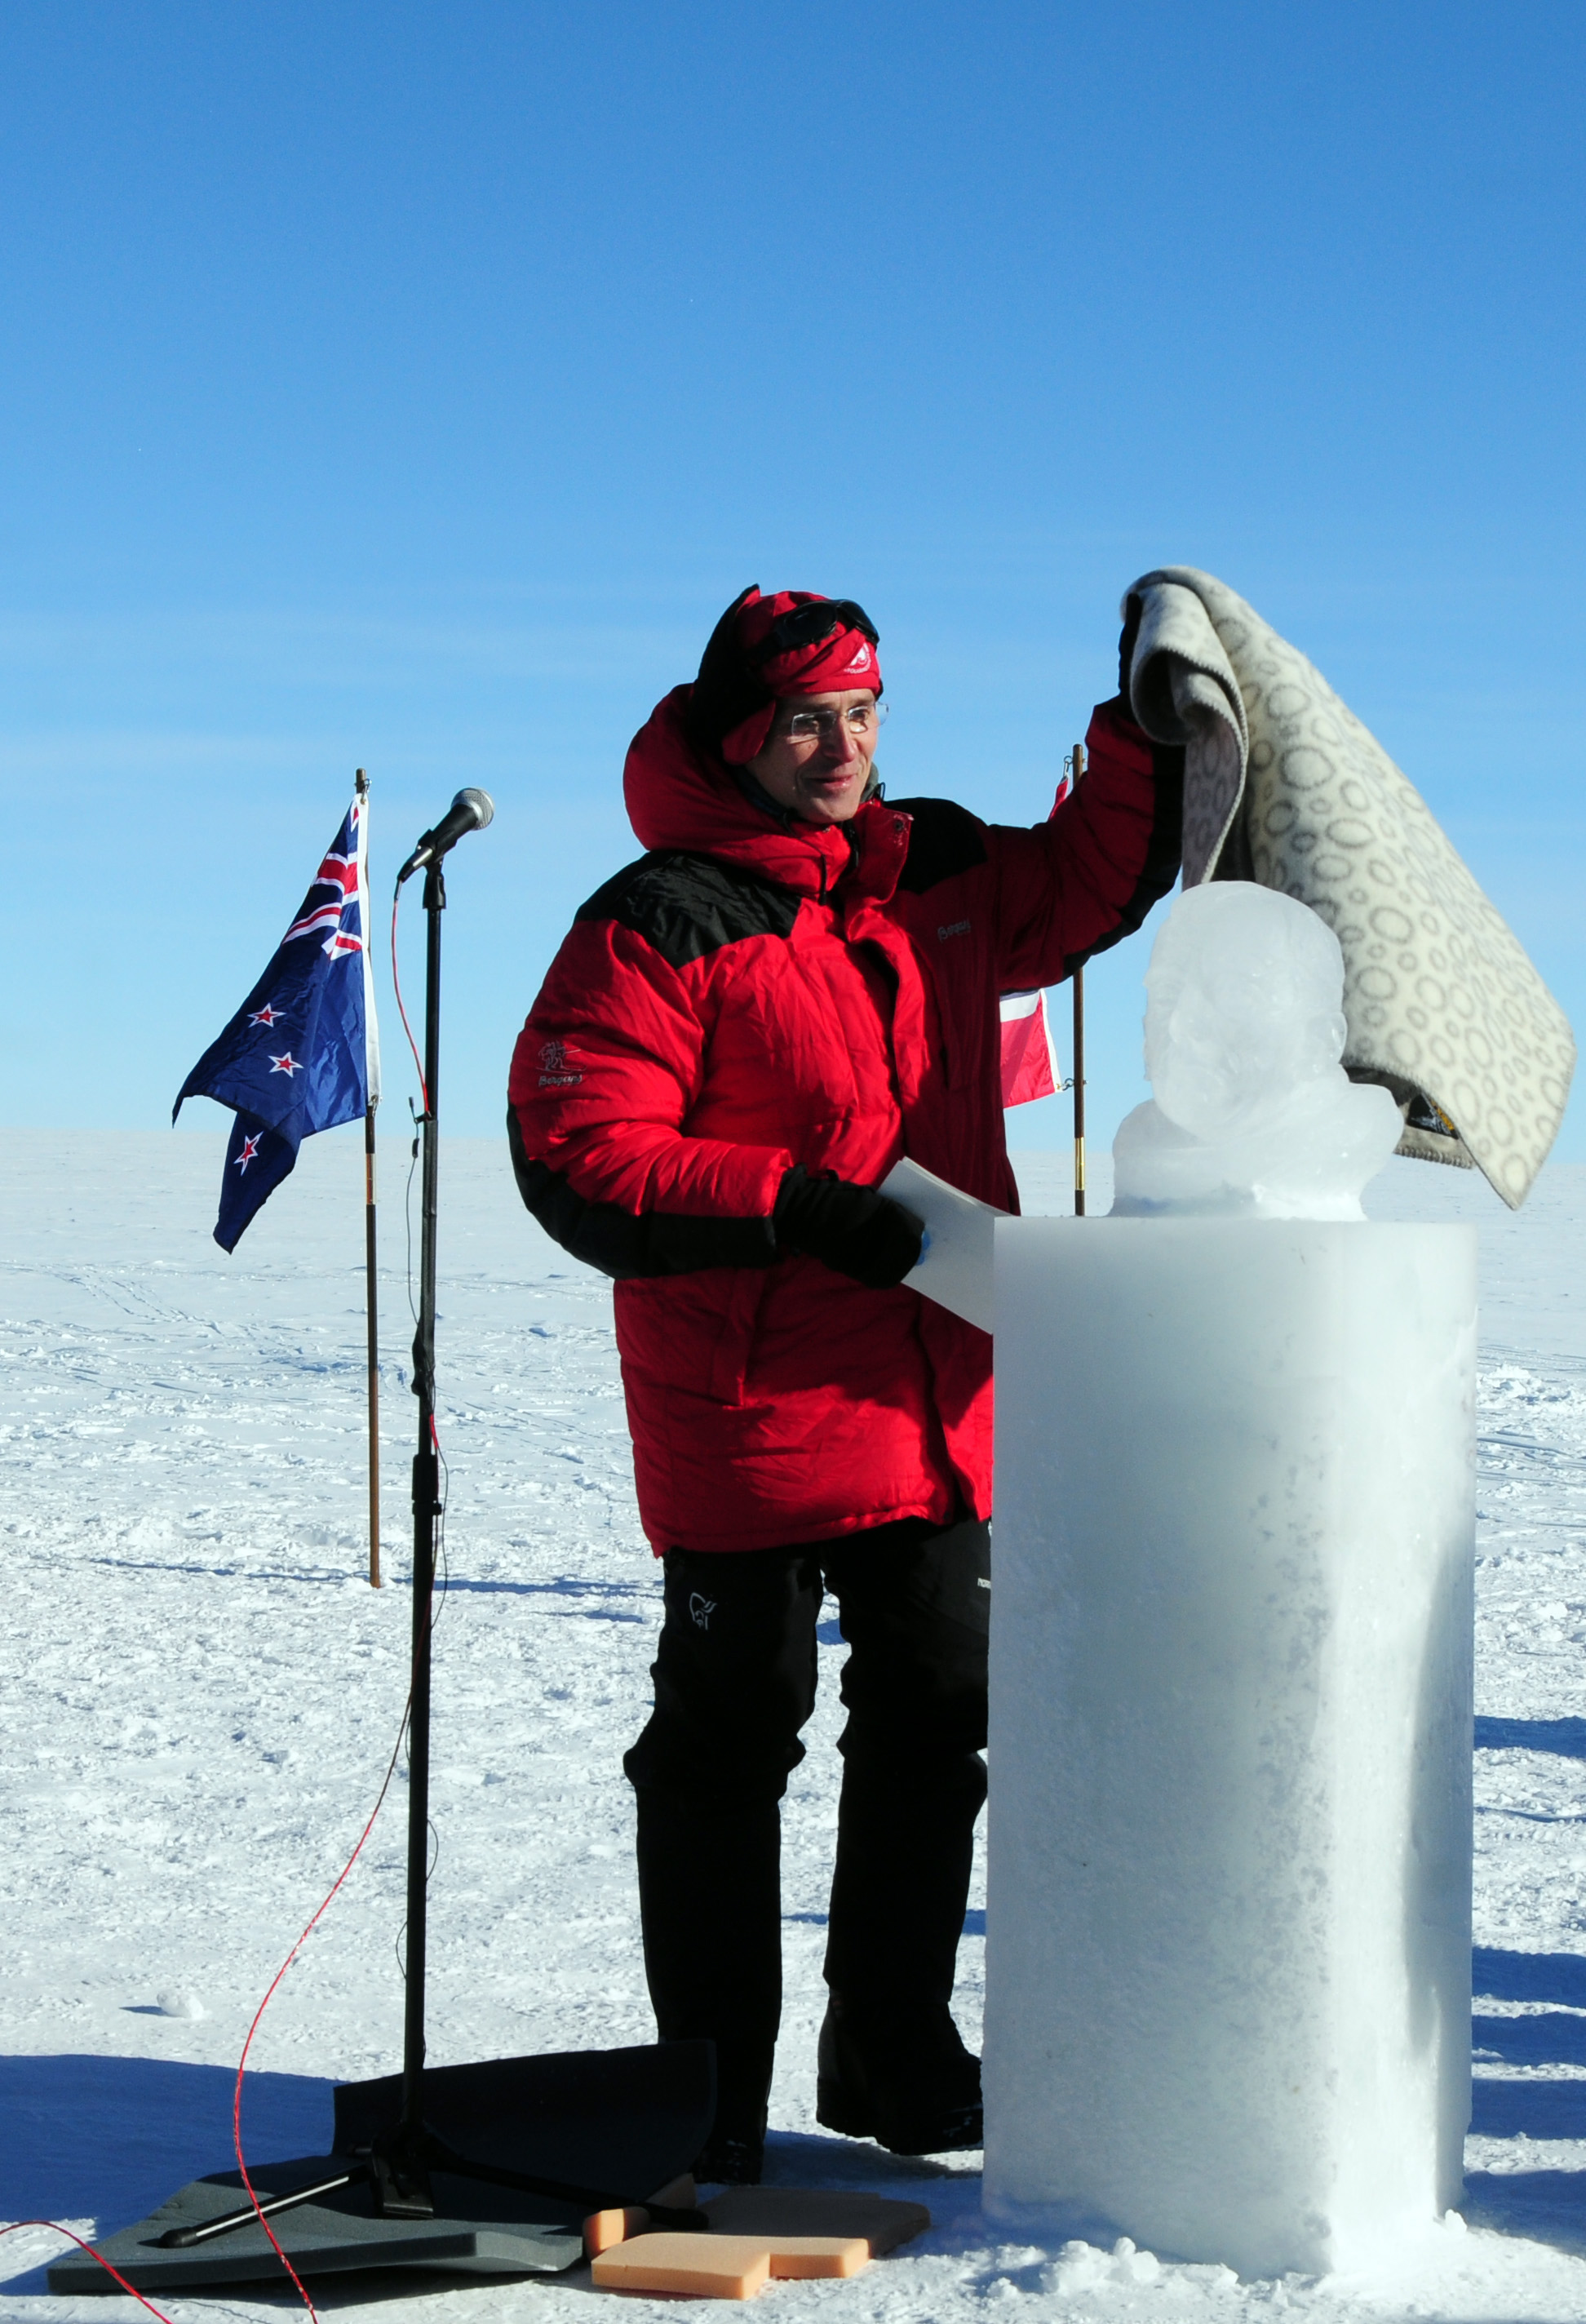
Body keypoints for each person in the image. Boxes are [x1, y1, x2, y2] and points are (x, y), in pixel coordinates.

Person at [505, 586, 1181, 2180]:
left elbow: (1086, 884)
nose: (843, 749)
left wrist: (1140, 730)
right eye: (808, 721)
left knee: (941, 1711)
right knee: (726, 1744)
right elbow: (577, 1149)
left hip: (934, 1393)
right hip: (744, 1400)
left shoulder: (931, 869)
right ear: (738, 734)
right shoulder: (658, 914)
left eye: (864, 716)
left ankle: (891, 2049)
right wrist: (792, 1202)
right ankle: (707, 2095)